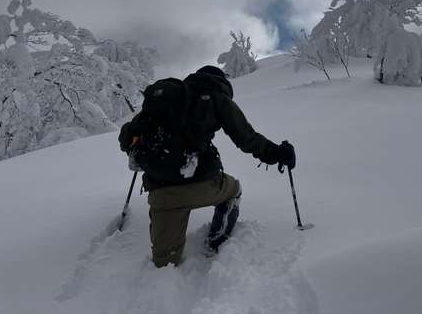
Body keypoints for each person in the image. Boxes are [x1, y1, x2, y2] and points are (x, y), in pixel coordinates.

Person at [118, 65, 296, 268]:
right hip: (201, 185)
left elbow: (126, 139)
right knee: (233, 190)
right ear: (221, 82)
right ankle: (215, 241)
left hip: (162, 194)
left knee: (164, 266)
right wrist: (278, 154)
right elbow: (247, 138)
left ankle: (166, 266)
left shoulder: (164, 100)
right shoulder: (217, 98)